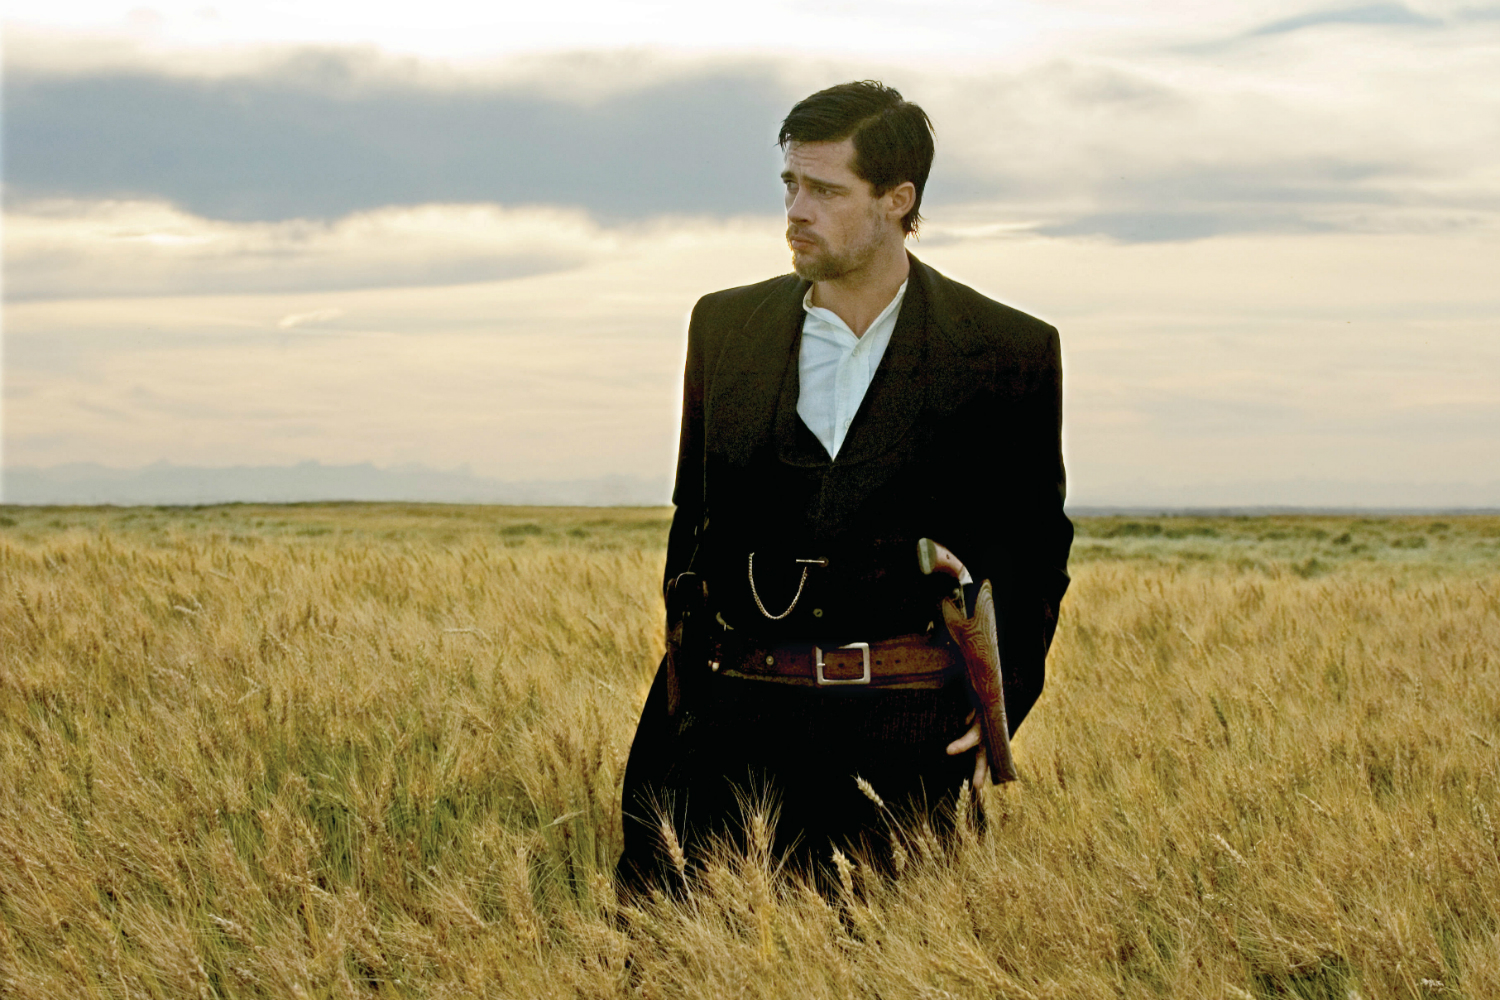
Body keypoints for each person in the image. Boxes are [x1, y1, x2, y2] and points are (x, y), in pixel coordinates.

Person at [616, 80, 1072, 892]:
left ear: (899, 200)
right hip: (728, 728)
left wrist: (1000, 705)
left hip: (903, 738)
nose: (796, 210)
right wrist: (679, 717)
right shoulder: (722, 327)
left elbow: (1034, 549)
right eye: (790, 184)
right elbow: (694, 518)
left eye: (825, 191)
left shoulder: (1006, 349)